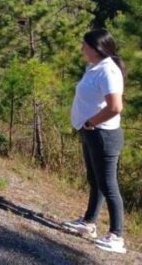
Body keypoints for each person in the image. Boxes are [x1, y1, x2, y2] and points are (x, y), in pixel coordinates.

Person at [63, 29, 127, 254]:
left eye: (85, 45)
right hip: (91, 133)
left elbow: (115, 107)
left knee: (109, 185)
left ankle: (117, 236)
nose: (82, 49)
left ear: (96, 48)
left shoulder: (108, 71)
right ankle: (89, 223)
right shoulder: (94, 67)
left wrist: (91, 122)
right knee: (95, 180)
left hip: (103, 135)